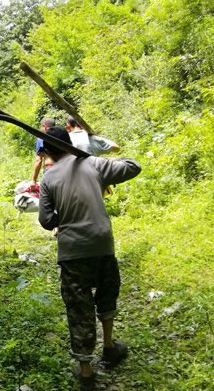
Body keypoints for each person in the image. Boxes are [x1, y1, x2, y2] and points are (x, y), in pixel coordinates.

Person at [38, 126, 141, 391]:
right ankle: (109, 347)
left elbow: (46, 220)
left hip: (73, 252)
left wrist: (66, 217)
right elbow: (133, 166)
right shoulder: (93, 163)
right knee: (107, 295)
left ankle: (86, 372)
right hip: (102, 245)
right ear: (70, 143)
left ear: (48, 151)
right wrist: (103, 161)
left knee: (79, 308)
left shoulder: (48, 179)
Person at [30, 117, 56, 188]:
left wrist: (33, 180)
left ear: (44, 127)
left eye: (41, 126)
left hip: (50, 170)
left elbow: (38, 161)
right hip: (64, 169)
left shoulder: (42, 137)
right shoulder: (61, 135)